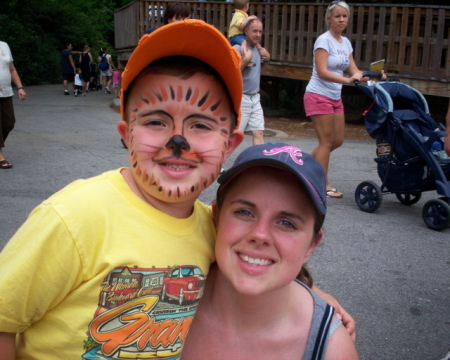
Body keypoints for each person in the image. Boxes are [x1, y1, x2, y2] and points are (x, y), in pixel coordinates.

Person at [0, 19, 244, 359]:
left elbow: (264, 277)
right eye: (156, 121)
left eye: (201, 125)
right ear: (125, 133)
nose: (177, 142)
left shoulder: (214, 230)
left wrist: (320, 307)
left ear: (230, 144)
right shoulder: (75, 217)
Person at [182, 143, 358, 360]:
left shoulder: (332, 350)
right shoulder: (158, 291)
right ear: (216, 217)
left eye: (286, 223)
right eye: (245, 212)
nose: (261, 235)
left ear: (312, 244)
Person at [303, 1, 385, 199]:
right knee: (326, 142)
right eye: (337, 16)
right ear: (329, 19)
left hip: (334, 96)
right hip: (317, 95)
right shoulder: (323, 41)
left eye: (344, 16)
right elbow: (322, 72)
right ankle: (322, 184)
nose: (341, 20)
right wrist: (347, 80)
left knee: (337, 141)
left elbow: (354, 71)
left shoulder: (345, 42)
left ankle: (305, 166)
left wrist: (373, 75)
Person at [234, 18, 271, 145]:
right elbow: (232, 74)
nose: (258, 35)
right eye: (255, 31)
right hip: (241, 98)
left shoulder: (258, 50)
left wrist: (266, 59)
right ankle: (220, 164)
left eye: (260, 32)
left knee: (258, 132)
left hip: (255, 97)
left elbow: (258, 73)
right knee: (234, 135)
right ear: (246, 31)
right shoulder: (238, 49)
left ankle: (258, 163)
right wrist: (245, 60)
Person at [0, 41, 26, 169]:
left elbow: (12, 69)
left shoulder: (4, 45)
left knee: (9, 123)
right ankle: (0, 156)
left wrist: (20, 87)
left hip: (5, 91)